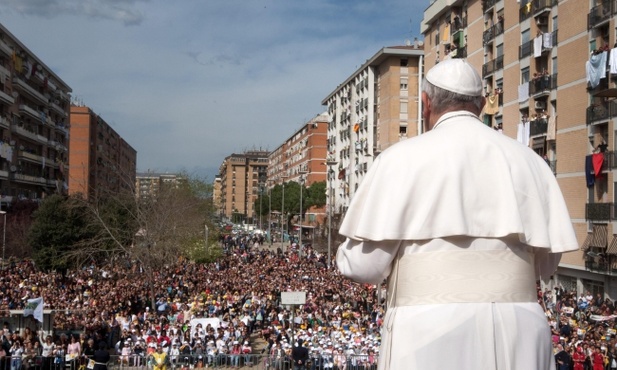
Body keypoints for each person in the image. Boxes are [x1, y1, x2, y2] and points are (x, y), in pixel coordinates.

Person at [336, 59, 579, 370]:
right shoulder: (531, 161)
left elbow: (364, 266)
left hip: (427, 330)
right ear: (480, 104)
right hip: (519, 328)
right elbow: (545, 265)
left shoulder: (398, 159)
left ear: (425, 104)